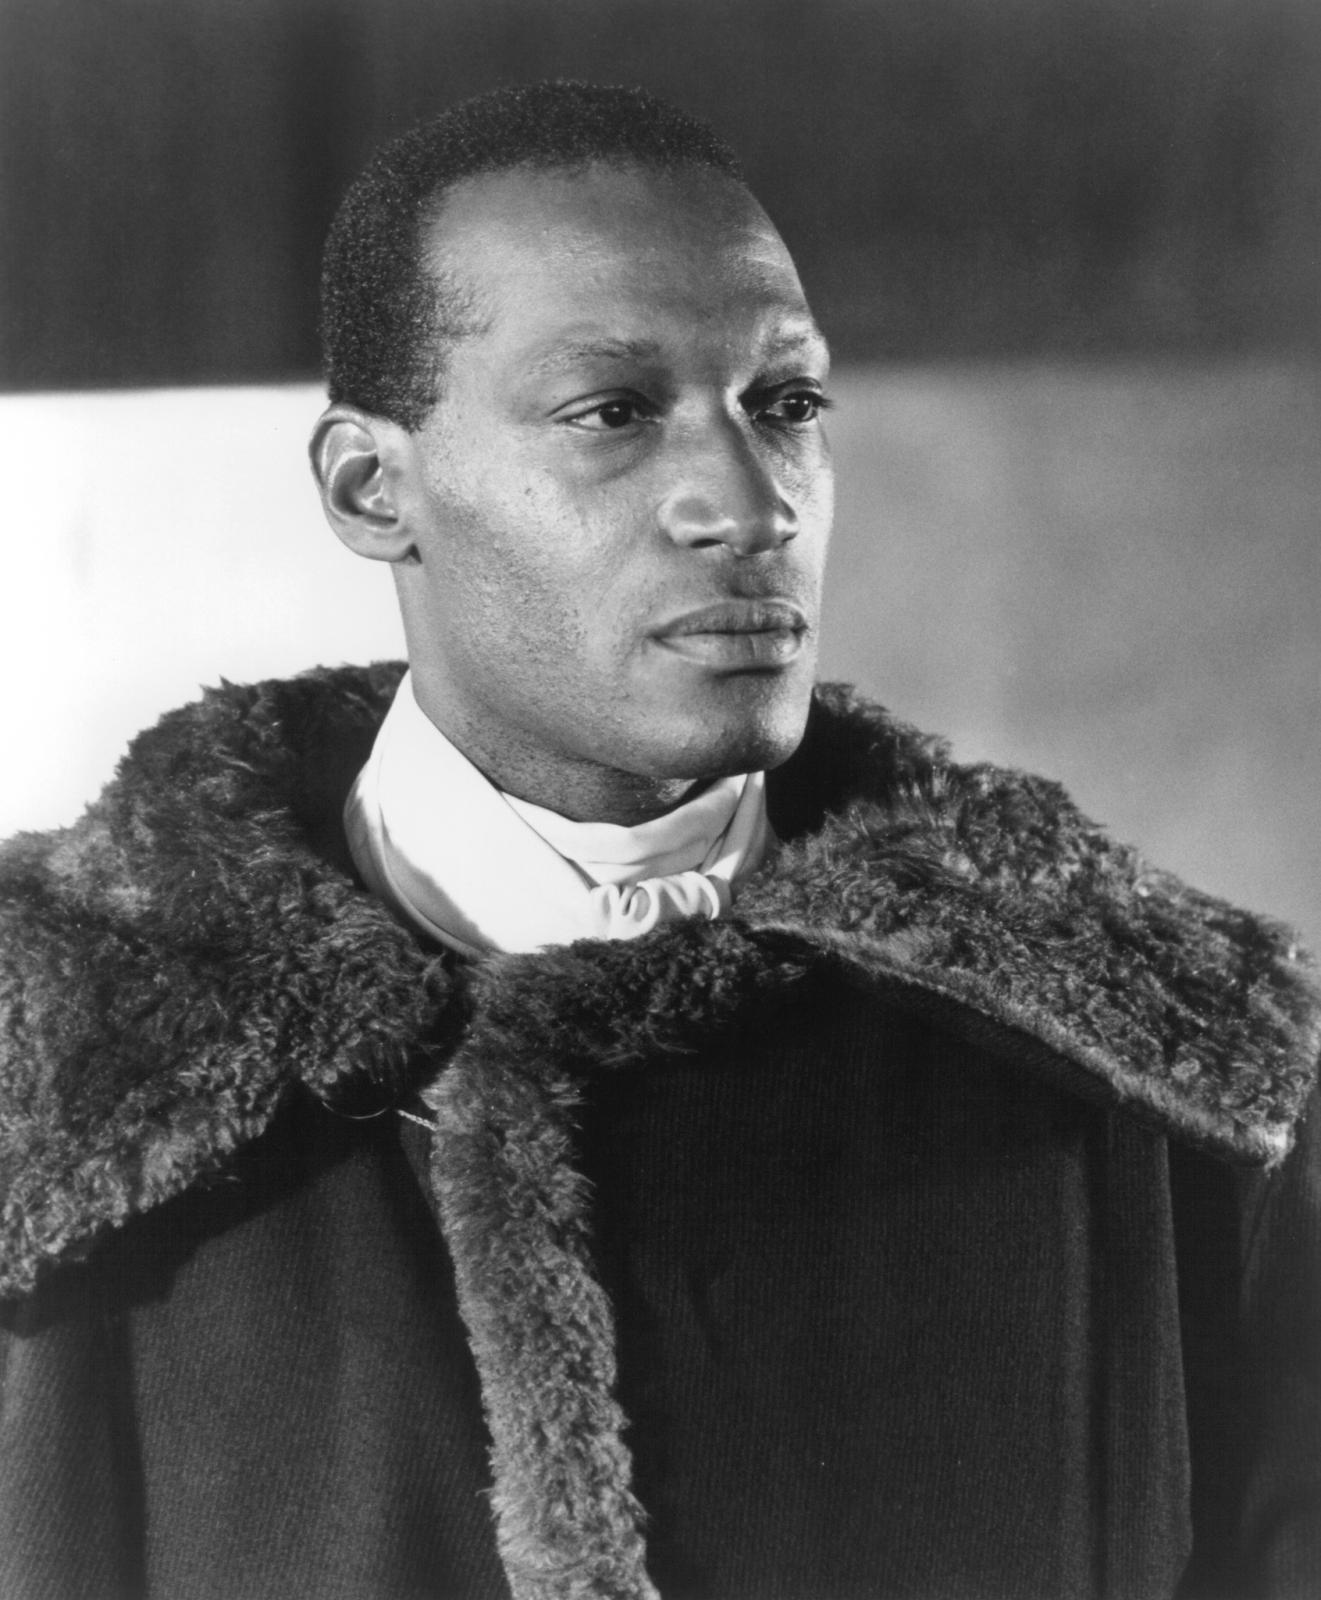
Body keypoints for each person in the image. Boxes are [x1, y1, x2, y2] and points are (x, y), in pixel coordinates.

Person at [0, 80, 1317, 1600]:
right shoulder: (52, 1070)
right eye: (613, 413)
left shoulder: (1173, 1071)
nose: (750, 505)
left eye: (787, 405)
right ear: (372, 489)